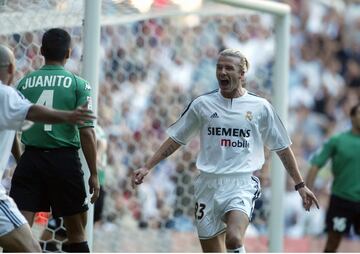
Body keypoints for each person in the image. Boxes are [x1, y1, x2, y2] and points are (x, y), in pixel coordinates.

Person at [132, 49, 319, 253]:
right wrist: (148, 166)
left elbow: (282, 147)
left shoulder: (260, 107)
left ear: (241, 74)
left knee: (234, 239)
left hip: (241, 183)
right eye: (219, 67)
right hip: (207, 185)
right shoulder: (202, 105)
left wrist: (300, 184)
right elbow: (176, 139)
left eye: (228, 68)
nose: (222, 72)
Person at [9, 28, 100, 253]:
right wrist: (94, 174)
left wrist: (22, 158)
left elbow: (11, 130)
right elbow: (87, 131)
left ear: (41, 51)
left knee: (20, 231)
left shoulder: (24, 84)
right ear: (68, 53)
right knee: (76, 232)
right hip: (64, 161)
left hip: (32, 158)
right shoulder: (79, 84)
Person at [305, 103, 360, 252]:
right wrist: (307, 191)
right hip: (341, 201)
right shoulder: (337, 140)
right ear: (353, 116)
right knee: (333, 242)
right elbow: (316, 164)